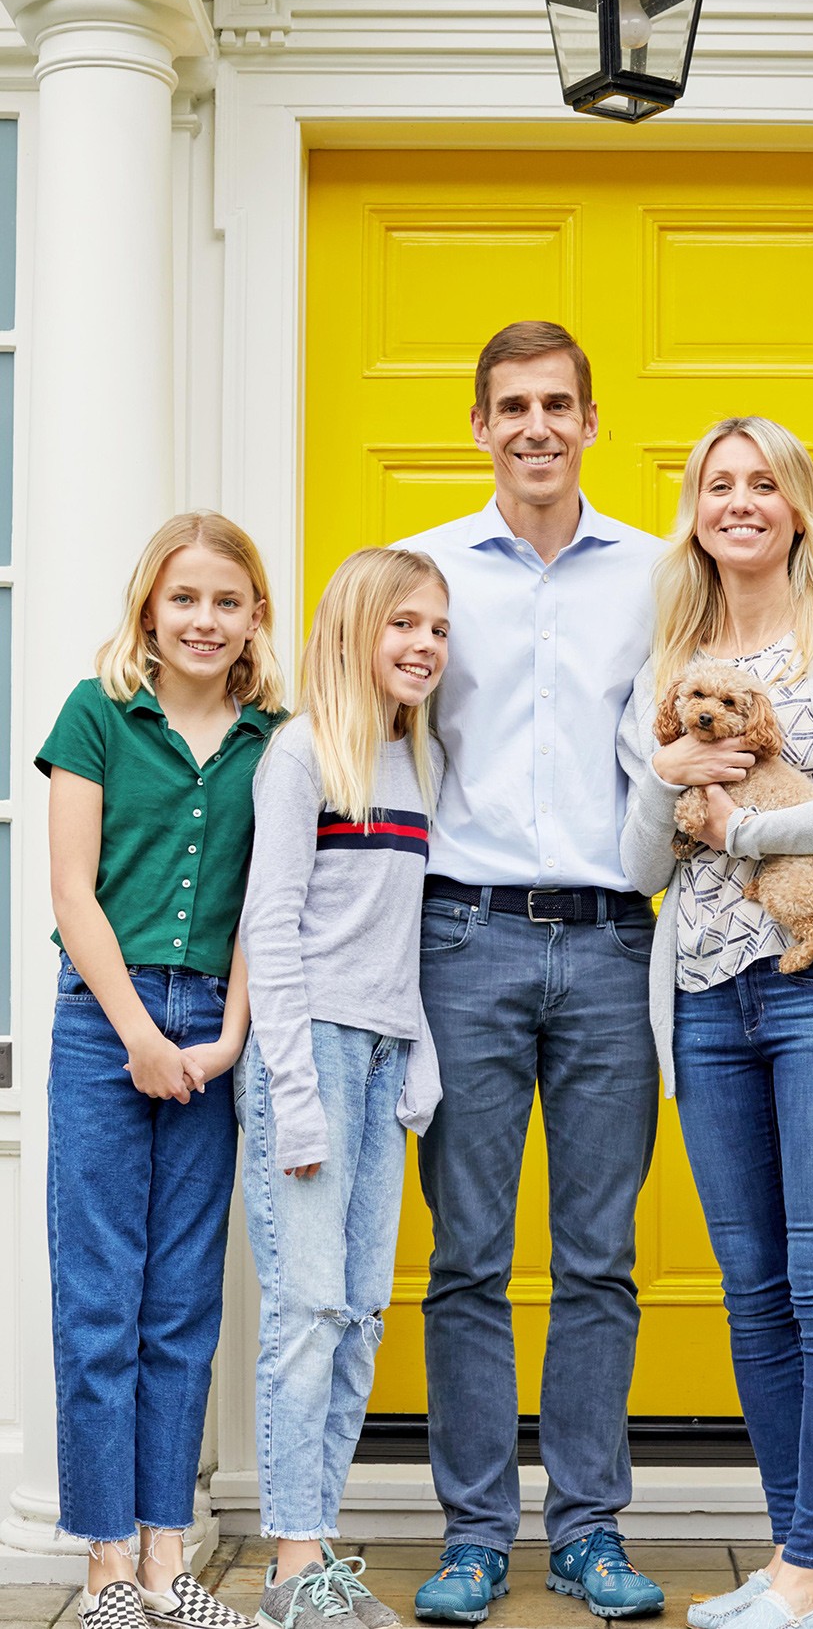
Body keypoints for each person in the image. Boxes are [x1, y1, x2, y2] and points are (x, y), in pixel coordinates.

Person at [618, 416, 813, 1629]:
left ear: (798, 507)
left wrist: (747, 829)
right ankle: (786, 1559)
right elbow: (635, 859)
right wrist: (667, 783)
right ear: (694, 509)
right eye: (717, 484)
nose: (739, 502)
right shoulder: (669, 659)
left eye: (764, 485)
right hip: (703, 1004)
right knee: (751, 1288)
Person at [398, 320, 666, 1626]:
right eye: (512, 406)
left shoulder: (658, 575)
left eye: (558, 403)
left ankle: (590, 1531)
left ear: (593, 420)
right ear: (480, 424)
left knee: (603, 1256)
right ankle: (471, 1535)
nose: (537, 427)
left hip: (617, 940)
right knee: (466, 1253)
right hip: (466, 936)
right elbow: (373, 742)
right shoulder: (426, 572)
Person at [38, 511, 283, 1629]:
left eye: (226, 601)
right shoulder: (97, 715)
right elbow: (72, 891)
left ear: (252, 619)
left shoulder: (270, 739)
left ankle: (165, 1562)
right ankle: (102, 1569)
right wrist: (137, 1031)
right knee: (100, 1298)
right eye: (184, 598)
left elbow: (260, 907)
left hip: (210, 1033)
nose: (204, 619)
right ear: (150, 606)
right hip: (105, 1022)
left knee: (181, 1302)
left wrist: (227, 1038)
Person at [238, 547, 448, 1629]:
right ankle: (289, 1561)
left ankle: (312, 1556)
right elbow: (268, 928)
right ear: (354, 629)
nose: (422, 646)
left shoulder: (414, 760)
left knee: (361, 1311)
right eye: (402, 624)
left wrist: (416, 1054)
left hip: (378, 1055)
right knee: (307, 1311)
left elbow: (399, 938)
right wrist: (294, 1091)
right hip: (309, 1055)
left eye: (436, 630)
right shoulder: (300, 754)